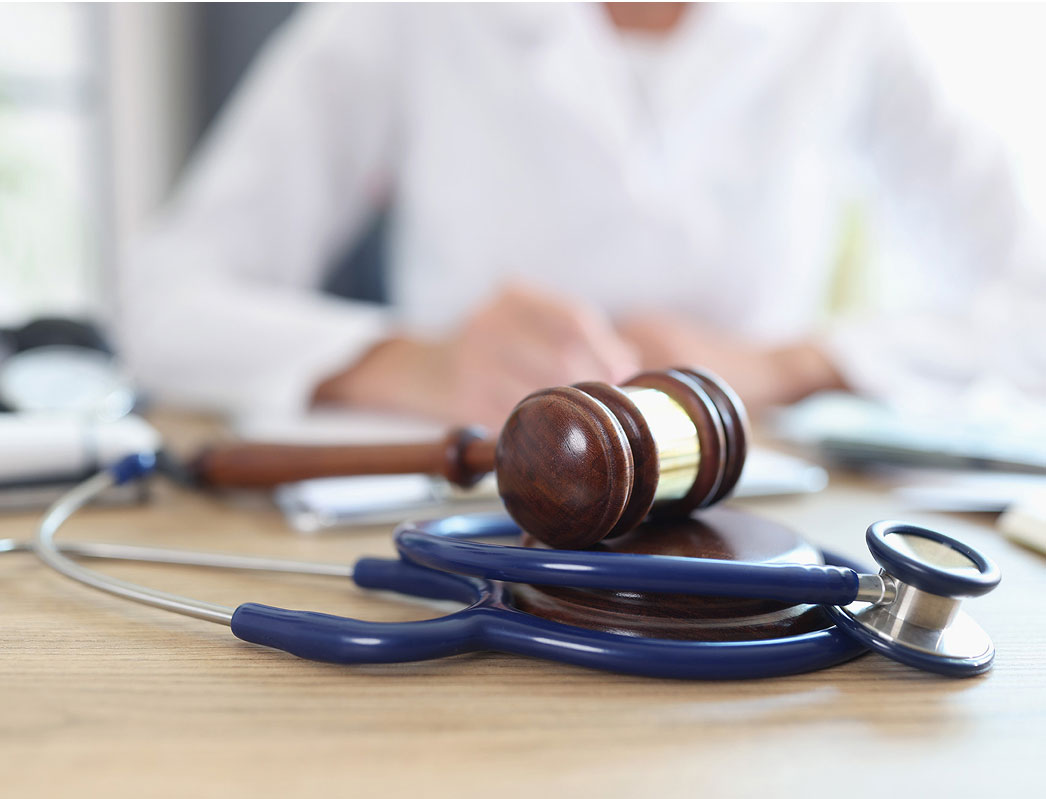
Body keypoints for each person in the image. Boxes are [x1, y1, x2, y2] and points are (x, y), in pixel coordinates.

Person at [121, 3, 1044, 429]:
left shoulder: (853, 25)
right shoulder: (397, 17)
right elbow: (165, 300)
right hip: (475, 502)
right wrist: (411, 362)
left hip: (762, 525)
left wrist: (790, 363)